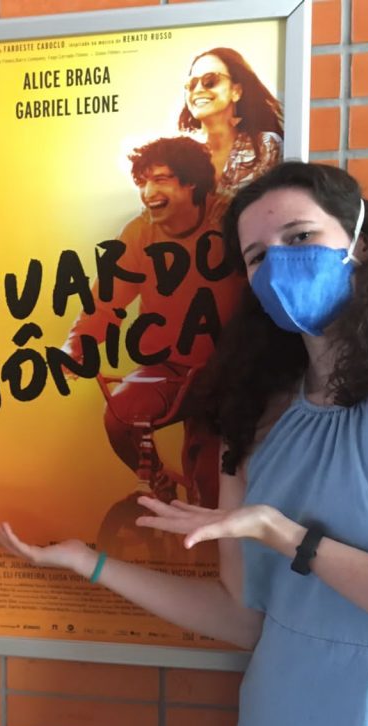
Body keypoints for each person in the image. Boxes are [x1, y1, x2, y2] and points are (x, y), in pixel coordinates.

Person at [0, 162, 368, 726]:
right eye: (258, 256)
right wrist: (89, 561)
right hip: (276, 715)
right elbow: (243, 619)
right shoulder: (252, 408)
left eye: (300, 237)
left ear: (361, 243)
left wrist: (288, 537)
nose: (280, 264)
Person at [63, 136, 244, 507]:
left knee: (210, 483)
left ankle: (200, 508)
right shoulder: (138, 233)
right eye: (143, 182)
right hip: (168, 368)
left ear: (192, 182)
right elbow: (104, 302)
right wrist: (76, 346)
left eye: (160, 179)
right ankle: (159, 481)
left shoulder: (233, 221)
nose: (148, 192)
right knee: (120, 417)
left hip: (229, 374)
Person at [178, 47, 283, 206]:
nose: (198, 90)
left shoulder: (266, 147)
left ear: (236, 91)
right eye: (191, 84)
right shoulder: (179, 155)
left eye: (210, 81)